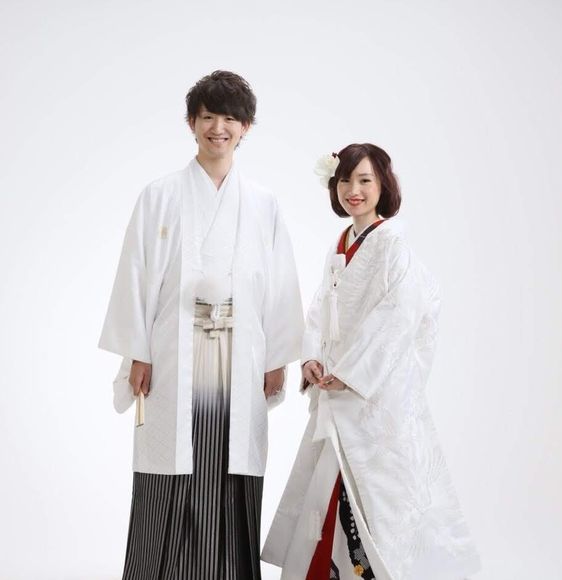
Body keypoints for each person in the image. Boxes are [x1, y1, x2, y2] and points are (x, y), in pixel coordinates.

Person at [99, 70, 303, 579]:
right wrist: (139, 351)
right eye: (208, 117)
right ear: (191, 122)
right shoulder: (159, 195)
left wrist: (276, 356)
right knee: (169, 467)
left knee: (230, 464)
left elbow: (279, 283)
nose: (218, 128)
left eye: (229, 119)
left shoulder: (262, 203)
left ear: (245, 127)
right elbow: (135, 273)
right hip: (174, 349)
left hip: (241, 351)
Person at [262, 144, 480, 579]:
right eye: (345, 180)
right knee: (331, 485)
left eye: (365, 180)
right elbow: (320, 309)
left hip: (372, 397)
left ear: (383, 185)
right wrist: (310, 358)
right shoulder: (340, 244)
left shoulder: (392, 246)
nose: (354, 190)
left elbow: (399, 315)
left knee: (379, 498)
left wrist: (351, 373)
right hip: (336, 388)